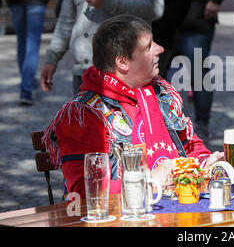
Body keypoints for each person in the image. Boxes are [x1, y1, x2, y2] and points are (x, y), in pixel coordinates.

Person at [42, 15, 223, 198]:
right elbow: (85, 189)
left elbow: (191, 146)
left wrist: (204, 164)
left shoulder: (162, 94)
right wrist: (149, 182)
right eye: (148, 47)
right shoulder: (84, 114)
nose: (160, 49)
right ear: (122, 62)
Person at [165, 0, 228, 142]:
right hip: (166, 24)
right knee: (158, 76)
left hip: (197, 20)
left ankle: (203, 123)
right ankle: (162, 124)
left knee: (199, 75)